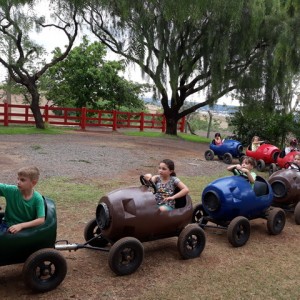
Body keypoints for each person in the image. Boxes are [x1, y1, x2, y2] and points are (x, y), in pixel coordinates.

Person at [0, 166, 45, 234]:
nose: (18, 182)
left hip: (26, 229)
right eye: (18, 179)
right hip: (7, 224)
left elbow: (41, 219)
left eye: (22, 180)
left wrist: (21, 226)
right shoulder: (11, 190)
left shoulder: (37, 199)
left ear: (33, 183)